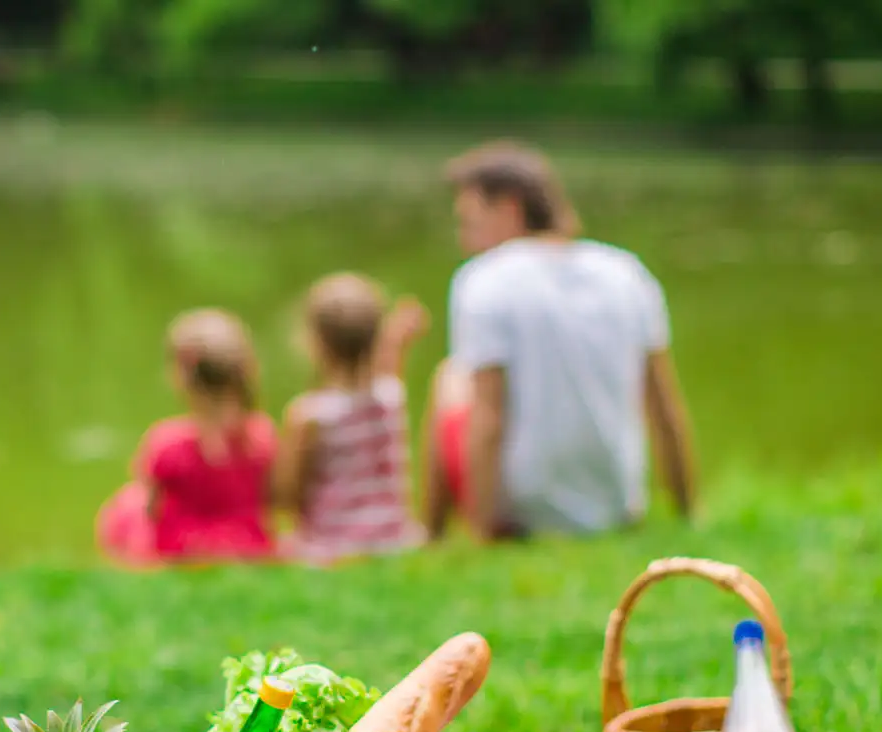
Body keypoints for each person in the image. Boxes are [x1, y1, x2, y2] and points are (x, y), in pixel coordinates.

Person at [424, 141, 697, 542]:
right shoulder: (625, 271)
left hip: (524, 513)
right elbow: (663, 405)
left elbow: (488, 419)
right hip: (618, 506)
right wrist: (689, 510)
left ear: (509, 208)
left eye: (471, 222)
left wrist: (481, 534)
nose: (466, 240)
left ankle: (432, 535)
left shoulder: (483, 279)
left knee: (449, 377)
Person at [97, 309, 277, 566]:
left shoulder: (167, 442)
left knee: (125, 505)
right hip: (248, 543)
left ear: (180, 378)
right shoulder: (262, 434)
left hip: (182, 548)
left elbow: (151, 508)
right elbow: (270, 500)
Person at [274, 273, 428, 564]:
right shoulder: (391, 397)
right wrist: (398, 341)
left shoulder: (310, 415)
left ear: (314, 342)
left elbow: (286, 497)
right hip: (394, 540)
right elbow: (386, 370)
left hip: (332, 545)